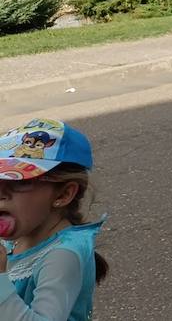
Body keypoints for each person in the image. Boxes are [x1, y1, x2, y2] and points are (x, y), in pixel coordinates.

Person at [0, 119, 109, 321]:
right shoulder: (19, 236)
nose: (2, 194)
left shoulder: (62, 255)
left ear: (63, 195)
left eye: (18, 183)